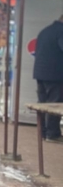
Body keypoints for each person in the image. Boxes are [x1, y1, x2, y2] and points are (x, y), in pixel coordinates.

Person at [34, 14, 63, 142]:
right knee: (54, 104)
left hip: (40, 73)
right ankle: (52, 134)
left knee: (43, 104)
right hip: (55, 75)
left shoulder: (45, 31)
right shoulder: (61, 31)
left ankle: (43, 132)